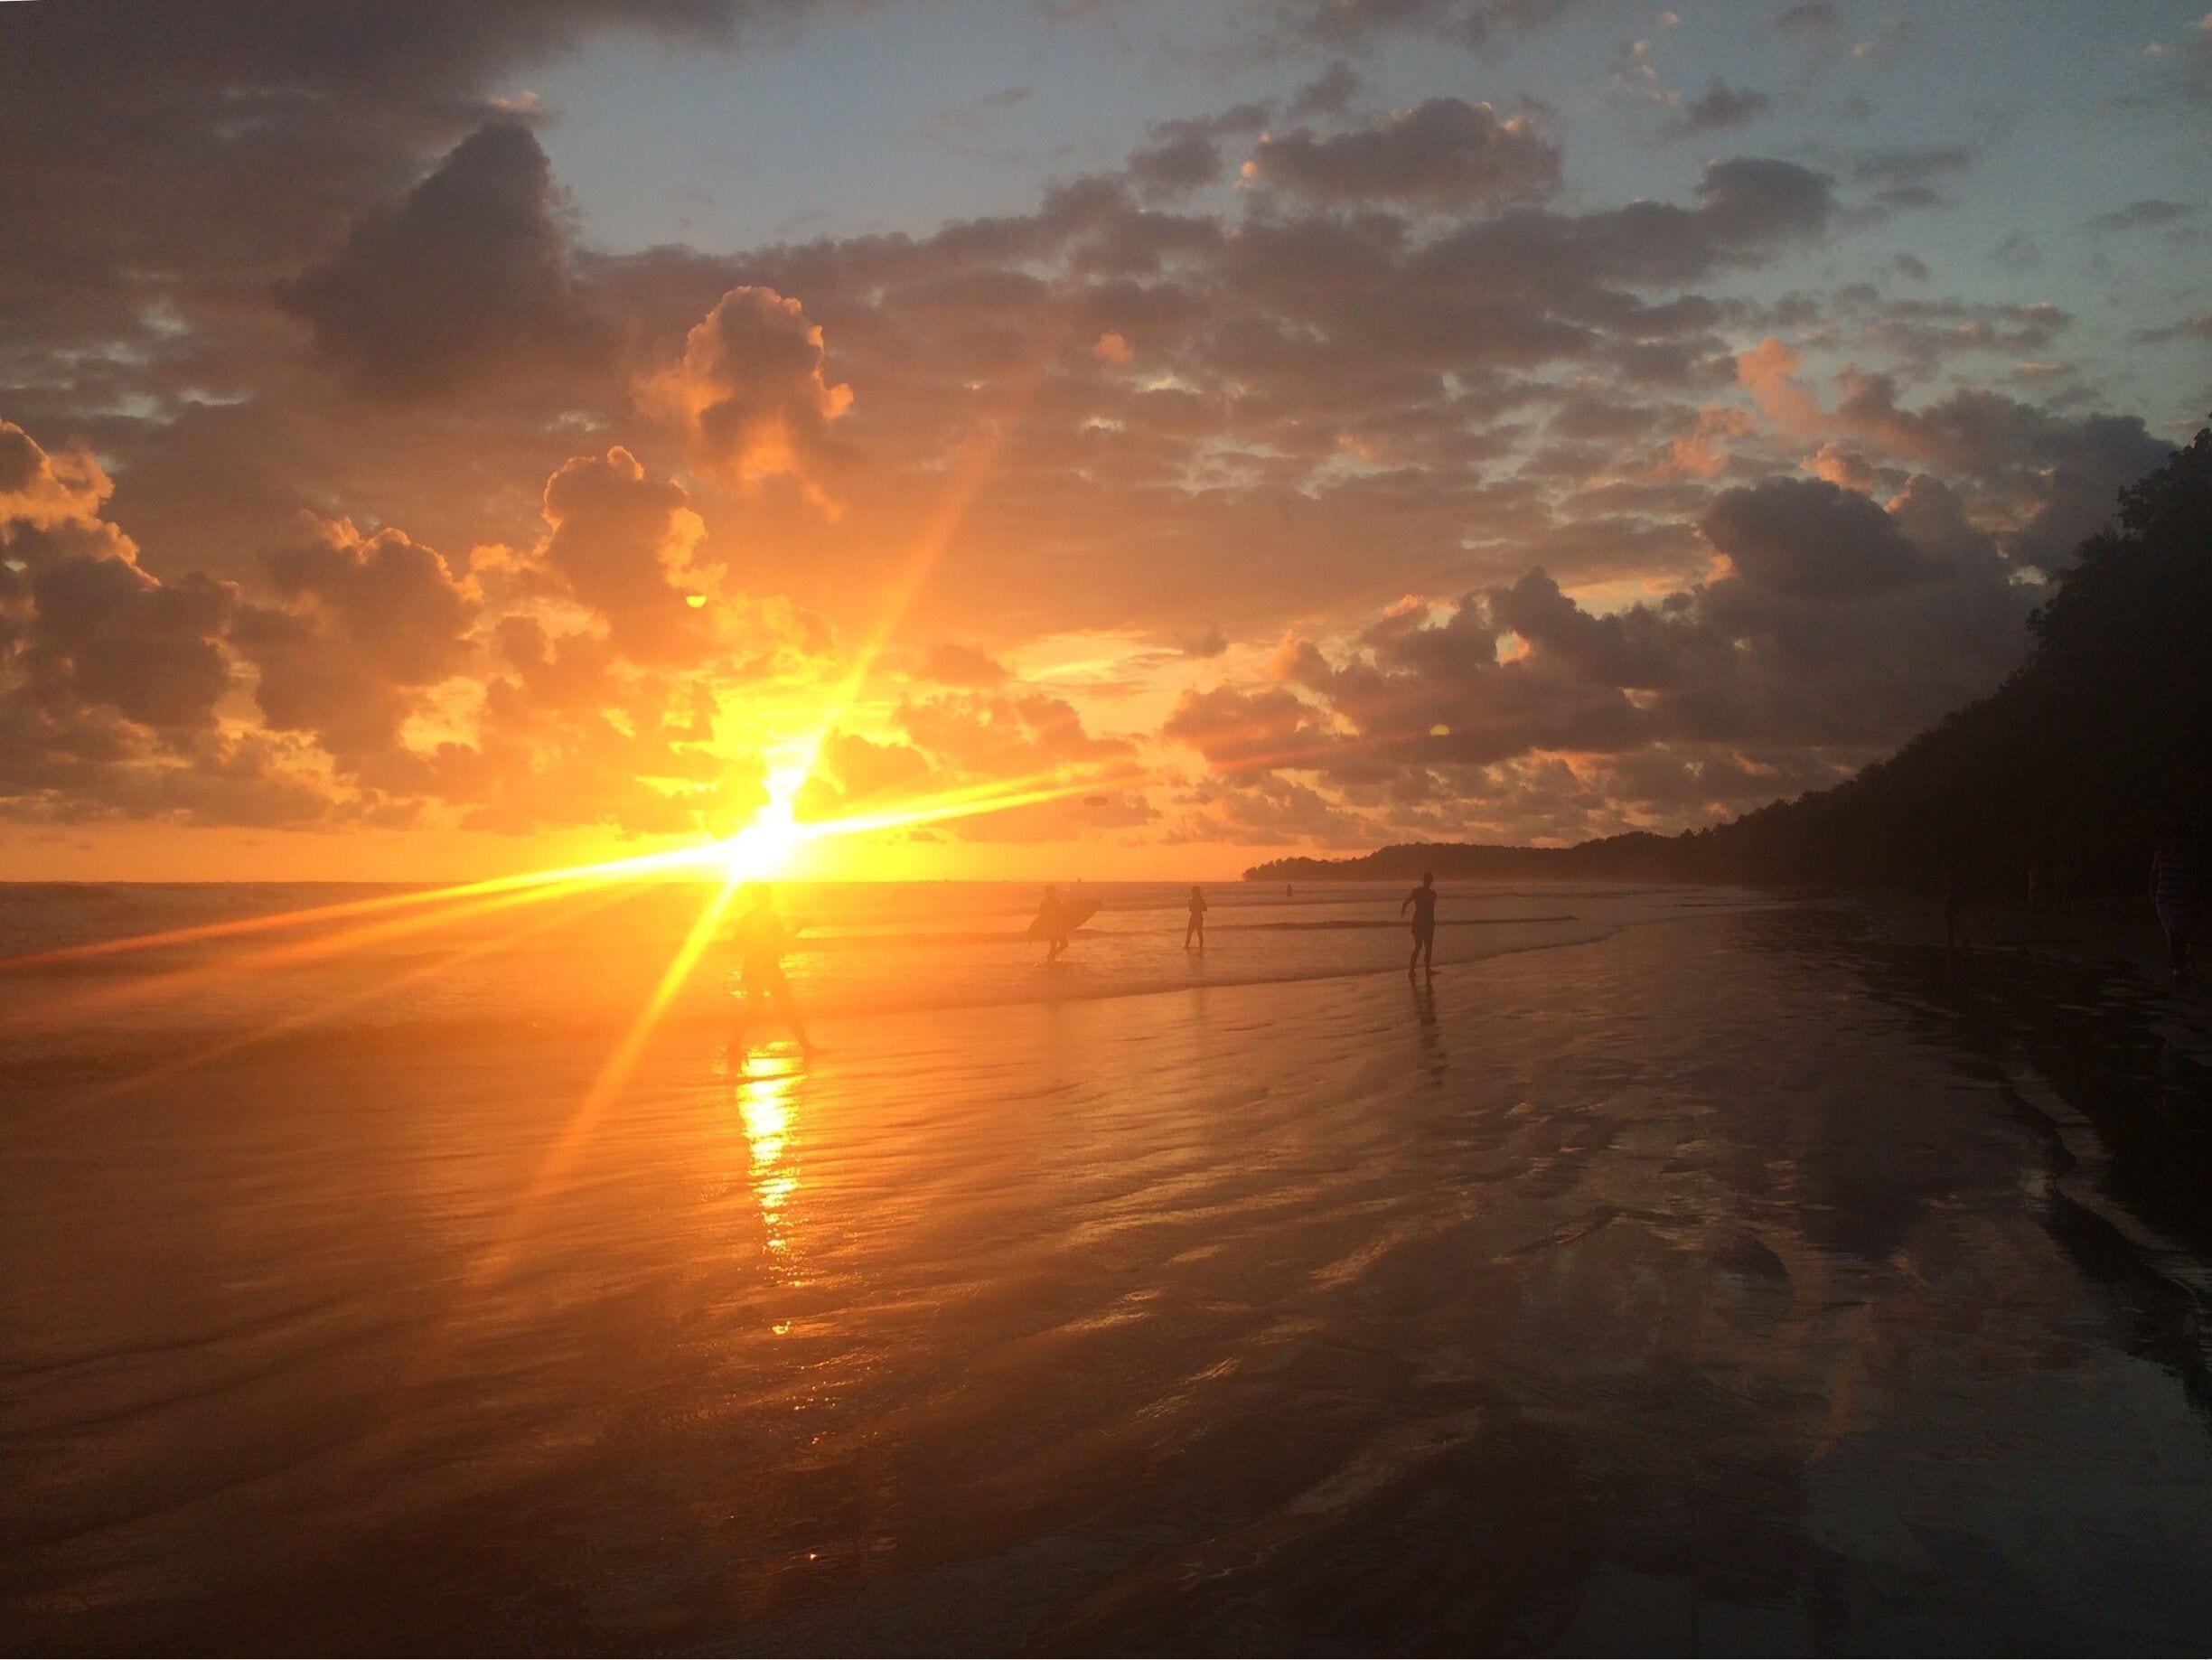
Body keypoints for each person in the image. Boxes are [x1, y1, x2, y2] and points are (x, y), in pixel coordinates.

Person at [731, 883, 814, 1053]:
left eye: (768, 895)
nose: (768, 898)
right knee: (784, 1007)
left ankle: (733, 1045)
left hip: (755, 966)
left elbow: (738, 941)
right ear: (761, 898)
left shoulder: (752, 916)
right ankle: (806, 1047)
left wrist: (761, 945)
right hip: (765, 967)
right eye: (766, 895)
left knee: (760, 1007)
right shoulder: (769, 917)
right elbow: (780, 940)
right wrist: (799, 928)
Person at [2152, 830, 2197, 986]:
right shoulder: (2161, 855)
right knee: (2174, 935)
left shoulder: (2188, 857)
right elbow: (2154, 877)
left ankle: (2181, 965)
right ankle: (2179, 969)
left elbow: (2194, 880)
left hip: (2183, 901)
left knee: (2181, 937)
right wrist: (2153, 896)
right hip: (2166, 901)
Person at [1401, 870, 1438, 976]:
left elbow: (1431, 910)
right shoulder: (1418, 891)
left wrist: (1404, 908)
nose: (1427, 881)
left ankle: (1427, 969)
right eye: (1426, 879)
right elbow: (1407, 901)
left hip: (1428, 922)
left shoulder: (1432, 893)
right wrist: (1403, 908)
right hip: (1419, 922)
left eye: (1429, 880)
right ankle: (1411, 970)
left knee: (1428, 947)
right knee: (1418, 946)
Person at [1184, 884, 1208, 951]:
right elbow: (1205, 909)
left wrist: (1196, 907)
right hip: (1197, 916)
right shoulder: (1200, 900)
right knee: (1195, 932)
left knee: (1193, 932)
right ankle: (1190, 945)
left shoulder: (1193, 900)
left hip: (1195, 916)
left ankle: (1188, 945)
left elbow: (1204, 909)